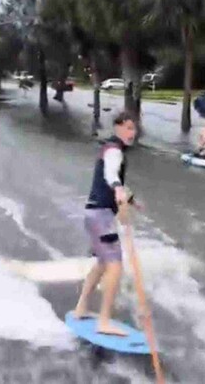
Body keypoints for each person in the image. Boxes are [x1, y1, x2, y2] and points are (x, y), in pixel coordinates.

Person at [72, 111, 140, 336]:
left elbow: (109, 179)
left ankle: (81, 308)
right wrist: (119, 188)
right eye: (128, 128)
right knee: (115, 266)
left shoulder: (111, 149)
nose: (133, 133)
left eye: (134, 128)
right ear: (118, 128)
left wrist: (129, 199)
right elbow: (111, 173)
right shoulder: (114, 150)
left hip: (95, 214)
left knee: (102, 263)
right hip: (101, 216)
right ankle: (103, 321)